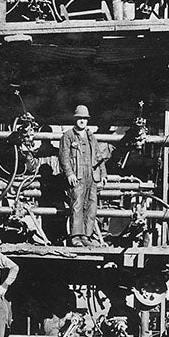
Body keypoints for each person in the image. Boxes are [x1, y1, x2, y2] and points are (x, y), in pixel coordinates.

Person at [58, 105, 111, 247]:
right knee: (77, 205)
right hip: (77, 176)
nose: (82, 121)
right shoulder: (68, 136)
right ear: (75, 119)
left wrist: (103, 173)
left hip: (92, 176)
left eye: (84, 118)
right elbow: (63, 157)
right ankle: (76, 237)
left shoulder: (90, 136)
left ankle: (86, 236)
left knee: (91, 206)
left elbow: (99, 157)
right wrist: (69, 173)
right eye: (79, 118)